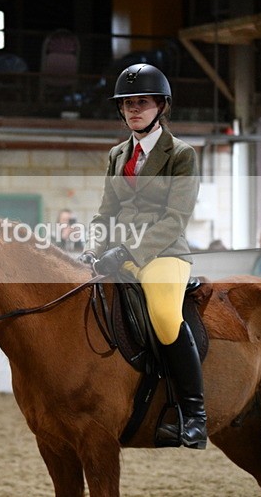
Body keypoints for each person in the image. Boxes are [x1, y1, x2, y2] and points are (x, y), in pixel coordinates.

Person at [79, 63, 205, 449]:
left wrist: (129, 250)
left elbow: (176, 218)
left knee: (165, 317)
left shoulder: (181, 155)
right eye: (128, 103)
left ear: (161, 106)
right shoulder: (118, 155)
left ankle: (194, 413)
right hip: (118, 252)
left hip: (164, 252)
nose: (134, 109)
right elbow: (106, 211)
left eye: (143, 102)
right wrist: (93, 246)